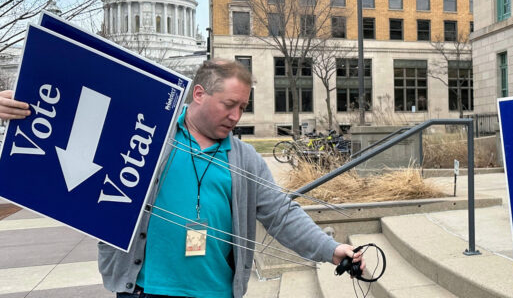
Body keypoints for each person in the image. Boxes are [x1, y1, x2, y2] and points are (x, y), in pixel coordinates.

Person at [1, 60, 364, 298]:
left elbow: (282, 214)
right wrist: (19, 107)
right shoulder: (145, 134)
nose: (237, 115)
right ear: (200, 94)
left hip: (215, 293)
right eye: (230, 104)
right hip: (142, 289)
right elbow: (68, 127)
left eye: (243, 107)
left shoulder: (245, 159)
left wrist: (332, 251)